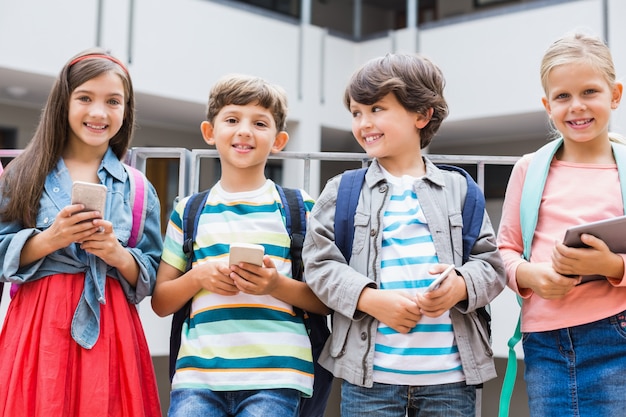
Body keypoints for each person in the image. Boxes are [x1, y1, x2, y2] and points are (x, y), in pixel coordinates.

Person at [302, 53, 506, 417]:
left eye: (377, 109)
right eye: (356, 112)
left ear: (422, 115)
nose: (364, 123)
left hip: (451, 380)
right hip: (369, 381)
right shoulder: (342, 190)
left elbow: (491, 263)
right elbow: (319, 264)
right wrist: (368, 299)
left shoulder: (460, 188)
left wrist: (460, 284)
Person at [151, 74, 330, 417]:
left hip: (279, 375)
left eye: (259, 123)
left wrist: (275, 284)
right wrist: (198, 277)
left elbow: (324, 302)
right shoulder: (188, 211)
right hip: (197, 377)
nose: (245, 130)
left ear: (278, 140)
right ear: (210, 132)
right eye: (232, 120)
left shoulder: (299, 208)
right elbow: (161, 302)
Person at [0, 48, 163, 417]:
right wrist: (50, 238)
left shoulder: (138, 189)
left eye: (113, 101)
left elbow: (153, 272)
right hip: (39, 326)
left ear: (126, 109)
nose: (98, 112)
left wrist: (115, 253)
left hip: (113, 327)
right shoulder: (23, 174)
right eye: (85, 98)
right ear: (64, 103)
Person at [497, 32, 626, 417]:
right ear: (547, 105)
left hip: (616, 336)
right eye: (563, 96)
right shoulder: (528, 170)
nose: (577, 107)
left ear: (615, 94)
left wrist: (610, 267)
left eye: (590, 92)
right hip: (545, 344)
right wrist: (531, 276)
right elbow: (502, 251)